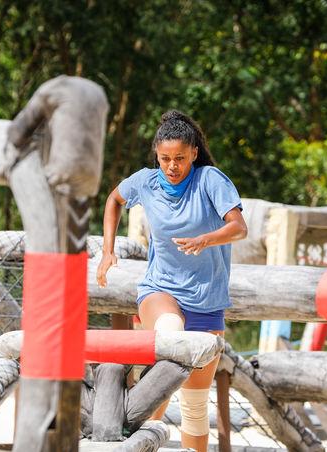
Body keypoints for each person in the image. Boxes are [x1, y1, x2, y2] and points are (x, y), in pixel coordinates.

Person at [97, 109, 247, 451]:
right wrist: (108, 251)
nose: (172, 166)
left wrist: (206, 239)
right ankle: (138, 436)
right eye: (165, 159)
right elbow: (114, 199)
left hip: (207, 302)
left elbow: (239, 227)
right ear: (156, 156)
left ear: (194, 152)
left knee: (195, 408)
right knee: (168, 334)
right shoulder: (146, 182)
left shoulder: (211, 180)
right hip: (160, 290)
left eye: (180, 158)